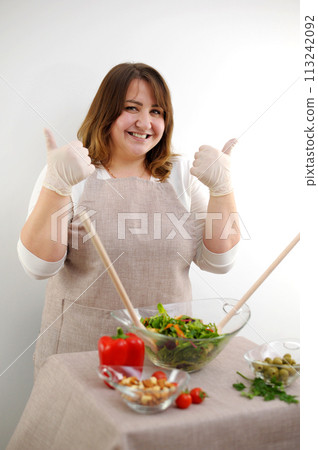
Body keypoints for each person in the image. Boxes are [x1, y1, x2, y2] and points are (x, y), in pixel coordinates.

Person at [18, 62, 240, 376]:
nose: (145, 122)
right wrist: (57, 185)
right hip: (79, 355)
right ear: (106, 112)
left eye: (157, 111)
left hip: (166, 355)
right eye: (131, 108)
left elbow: (219, 262)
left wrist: (222, 189)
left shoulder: (182, 175)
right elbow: (38, 267)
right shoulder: (70, 173)